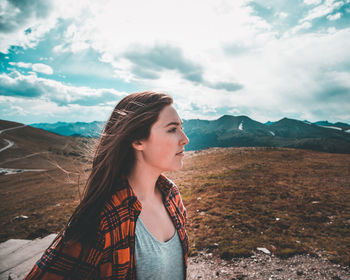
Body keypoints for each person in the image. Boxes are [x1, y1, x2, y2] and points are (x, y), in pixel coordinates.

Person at [25, 91, 190, 279]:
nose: (185, 139)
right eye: (172, 129)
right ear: (137, 141)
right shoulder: (102, 218)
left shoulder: (172, 196)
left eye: (181, 128)